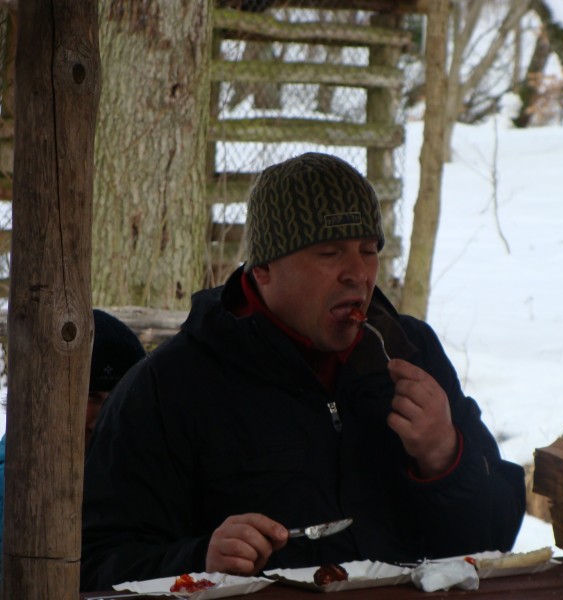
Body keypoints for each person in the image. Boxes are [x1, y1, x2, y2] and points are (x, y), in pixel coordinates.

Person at [80, 153, 526, 591]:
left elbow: (496, 540)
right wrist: (201, 562)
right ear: (264, 269)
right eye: (329, 253)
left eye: (369, 251)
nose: (358, 274)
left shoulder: (411, 353)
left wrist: (445, 455)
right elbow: (94, 564)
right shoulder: (171, 386)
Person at [0, 308, 146, 579]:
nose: (106, 416)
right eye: (90, 396)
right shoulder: (11, 489)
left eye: (121, 396)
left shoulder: (141, 485)